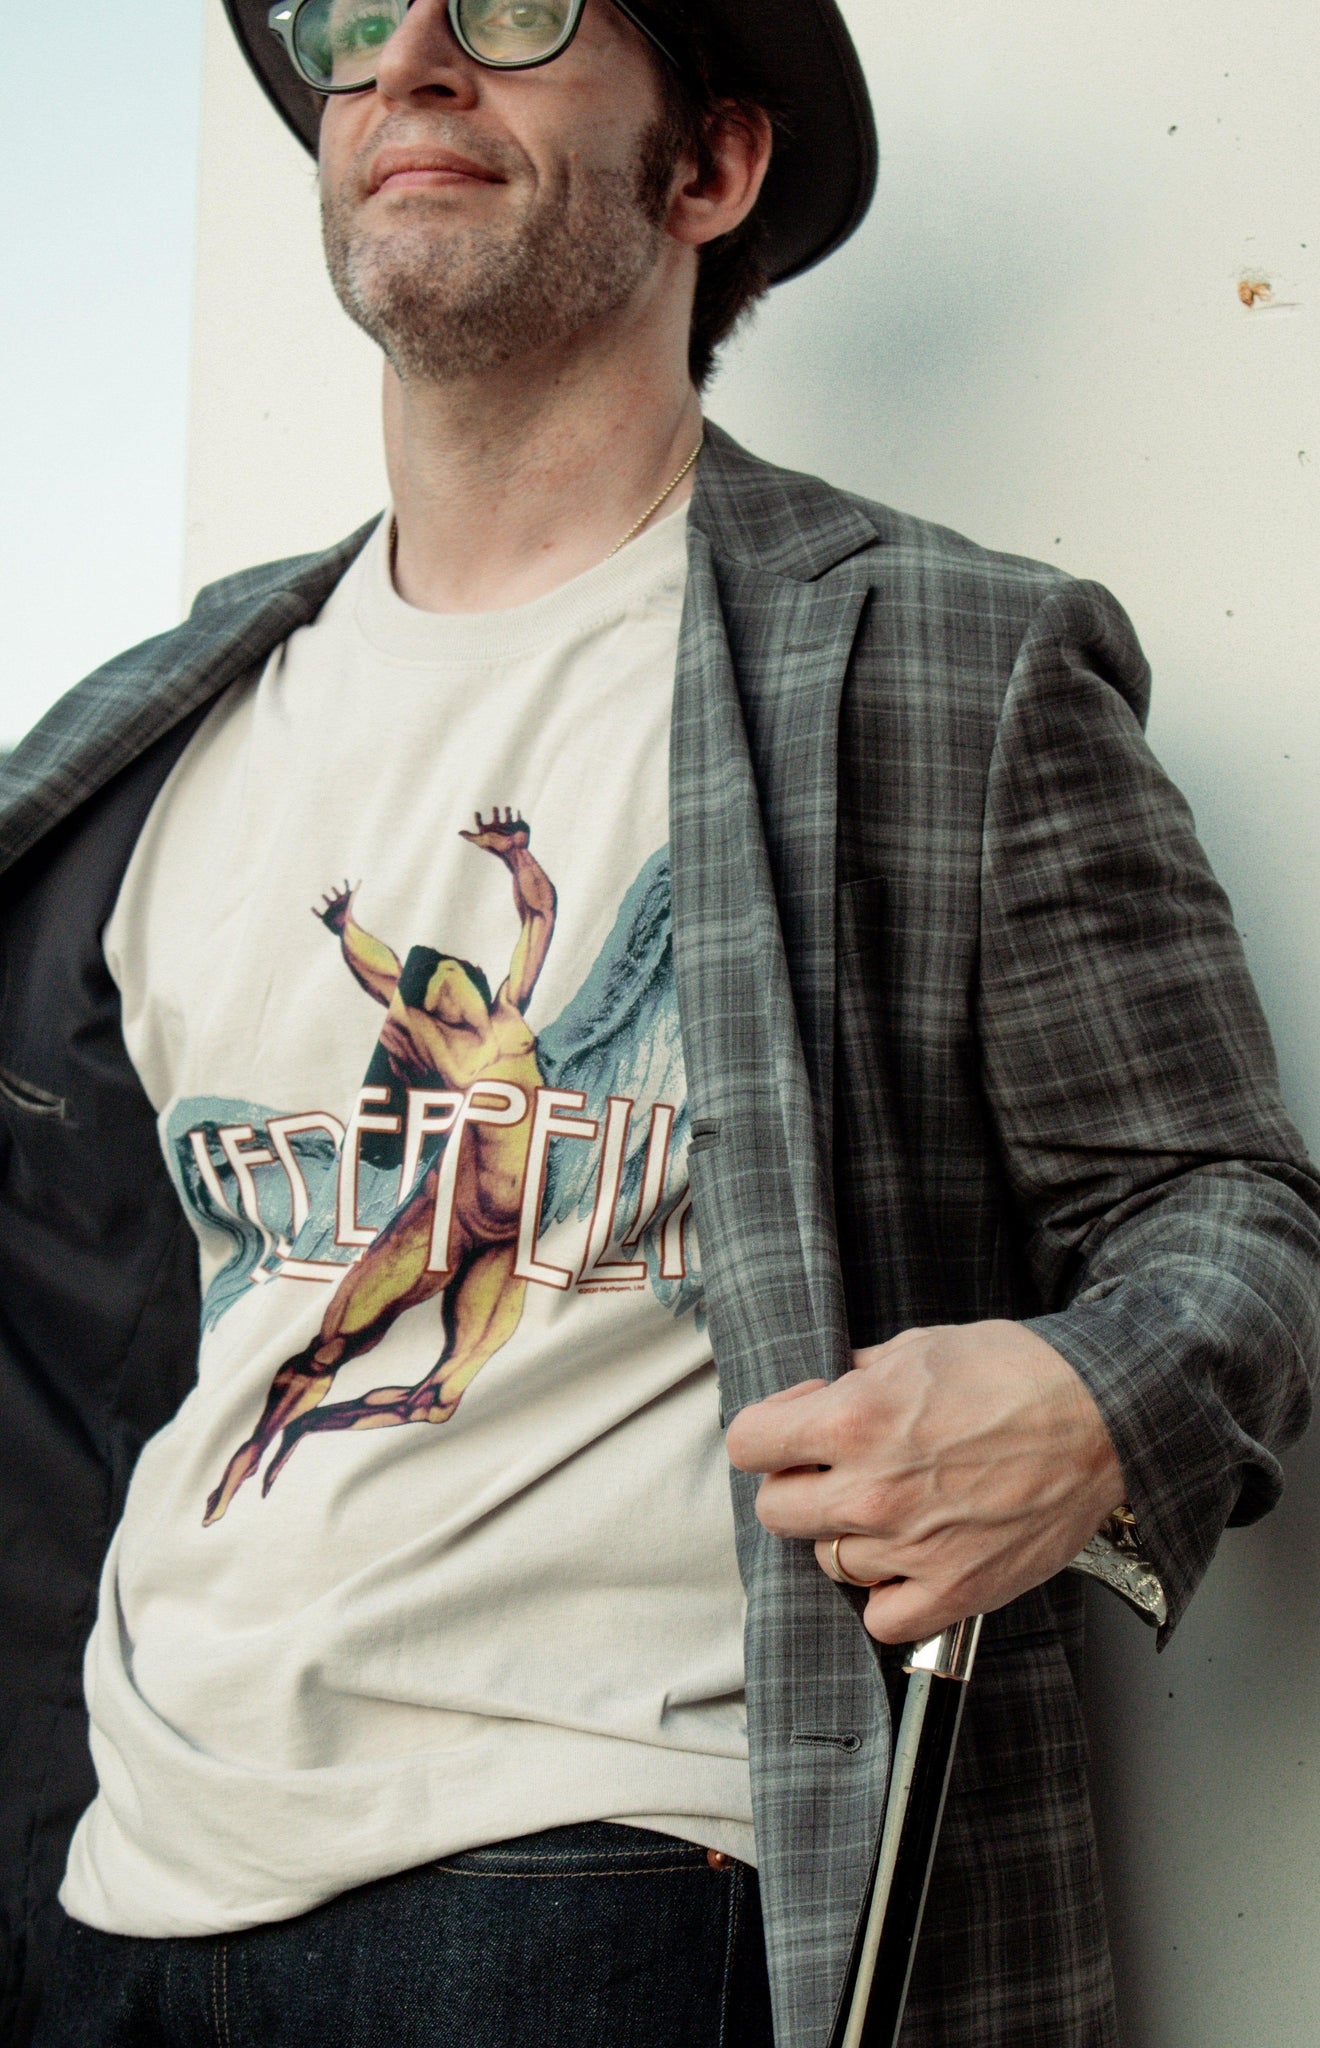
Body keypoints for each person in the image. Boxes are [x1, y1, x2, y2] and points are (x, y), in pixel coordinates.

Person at [1, 0, 1316, 2043]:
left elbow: (1229, 1207)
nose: (407, 63)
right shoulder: (149, 735)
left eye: (515, 9)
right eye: (354, 19)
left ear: (708, 166)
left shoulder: (944, 659)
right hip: (117, 1889)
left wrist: (1085, 1401)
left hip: (600, 1889)